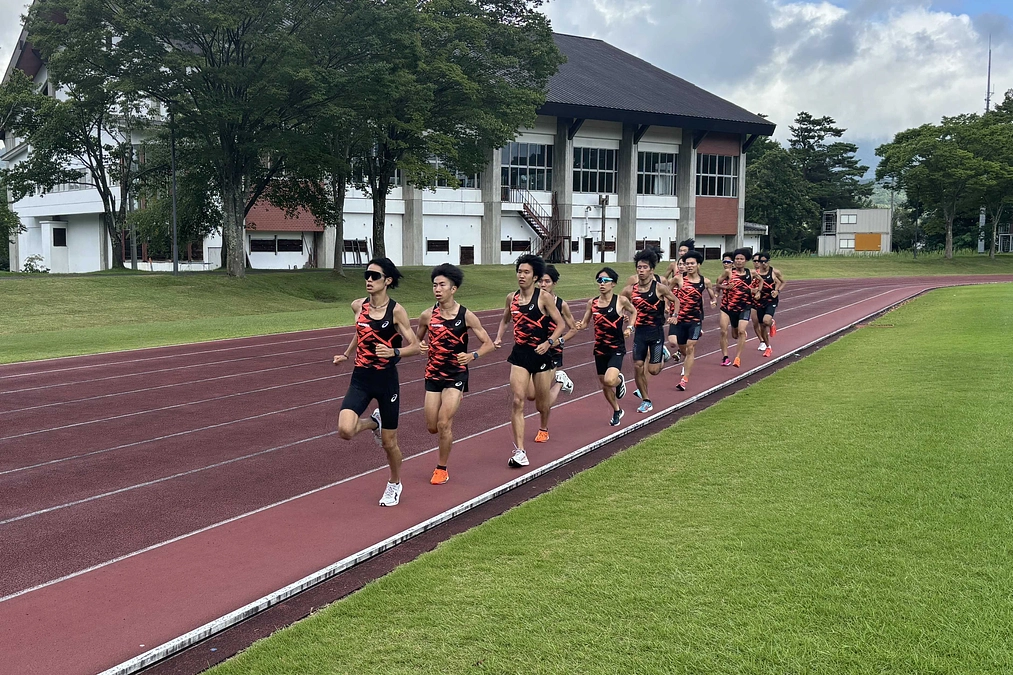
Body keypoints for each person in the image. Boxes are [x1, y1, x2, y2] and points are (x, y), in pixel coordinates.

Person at [333, 258, 421, 507]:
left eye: (375, 276)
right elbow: (361, 332)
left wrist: (393, 352)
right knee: (345, 430)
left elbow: (416, 346)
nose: (369, 280)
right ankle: (374, 422)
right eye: (367, 275)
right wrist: (347, 354)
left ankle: (395, 483)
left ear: (388, 281)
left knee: (389, 443)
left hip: (386, 381)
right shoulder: (357, 305)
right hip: (361, 377)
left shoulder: (396, 311)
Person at [416, 264, 497, 485]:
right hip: (433, 374)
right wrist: (420, 346)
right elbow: (416, 341)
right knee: (432, 427)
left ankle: (441, 468)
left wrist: (473, 356)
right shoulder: (427, 315)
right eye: (435, 285)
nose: (437, 289)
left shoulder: (466, 316)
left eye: (442, 285)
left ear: (454, 289)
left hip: (456, 375)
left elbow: (488, 344)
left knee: (444, 423)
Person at [493, 254, 566, 467]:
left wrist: (549, 342)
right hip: (520, 354)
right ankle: (520, 451)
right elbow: (505, 319)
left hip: (541, 354)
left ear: (535, 277)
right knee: (518, 400)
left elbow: (561, 324)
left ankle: (560, 382)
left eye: (526, 272)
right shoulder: (511, 298)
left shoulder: (544, 298)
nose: (521, 275)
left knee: (541, 404)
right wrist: (498, 337)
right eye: (519, 271)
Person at [575, 267, 636, 426]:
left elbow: (634, 312)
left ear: (613, 283)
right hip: (600, 349)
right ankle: (617, 410)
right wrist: (579, 325)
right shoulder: (592, 303)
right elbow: (585, 323)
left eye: (605, 281)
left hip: (616, 348)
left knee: (610, 380)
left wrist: (630, 327)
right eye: (599, 281)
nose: (601, 284)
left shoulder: (621, 301)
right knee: (605, 384)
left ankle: (619, 380)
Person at [526, 265, 579, 441]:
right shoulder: (531, 300)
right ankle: (561, 380)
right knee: (531, 395)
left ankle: (543, 429)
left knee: (541, 401)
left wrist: (559, 341)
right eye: (540, 281)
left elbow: (573, 328)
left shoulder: (561, 304)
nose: (543, 284)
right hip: (532, 351)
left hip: (551, 353)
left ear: (554, 283)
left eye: (547, 281)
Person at [623, 248, 677, 413]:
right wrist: (624, 314)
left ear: (652, 270)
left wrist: (674, 315)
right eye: (639, 267)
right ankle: (646, 400)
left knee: (653, 370)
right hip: (639, 332)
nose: (641, 270)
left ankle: (662, 354)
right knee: (638, 366)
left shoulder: (659, 288)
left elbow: (676, 300)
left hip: (656, 332)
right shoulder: (631, 289)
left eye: (645, 267)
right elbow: (620, 302)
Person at [671, 251, 717, 391]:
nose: (689, 266)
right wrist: (667, 306)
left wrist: (713, 301)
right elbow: (667, 293)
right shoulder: (678, 279)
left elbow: (712, 296)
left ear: (698, 265)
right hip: (680, 320)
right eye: (687, 264)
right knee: (681, 347)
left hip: (695, 319)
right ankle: (686, 361)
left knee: (690, 347)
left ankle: (684, 380)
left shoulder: (705, 281)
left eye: (692, 263)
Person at [716, 248, 753, 368]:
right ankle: (725, 357)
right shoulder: (728, 272)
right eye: (737, 259)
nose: (739, 261)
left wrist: (757, 291)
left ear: (746, 260)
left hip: (744, 306)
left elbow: (761, 281)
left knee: (741, 332)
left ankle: (737, 358)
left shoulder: (751, 273)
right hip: (727, 307)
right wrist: (725, 287)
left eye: (741, 259)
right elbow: (717, 284)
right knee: (724, 332)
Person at [751, 252, 785, 358]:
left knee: (766, 321)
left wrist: (777, 291)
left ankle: (771, 322)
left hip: (771, 300)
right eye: (761, 262)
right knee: (762, 326)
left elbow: (782, 282)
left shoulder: (774, 272)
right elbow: (749, 286)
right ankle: (768, 347)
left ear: (769, 261)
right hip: (759, 301)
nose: (763, 264)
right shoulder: (755, 273)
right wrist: (755, 291)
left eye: (765, 261)